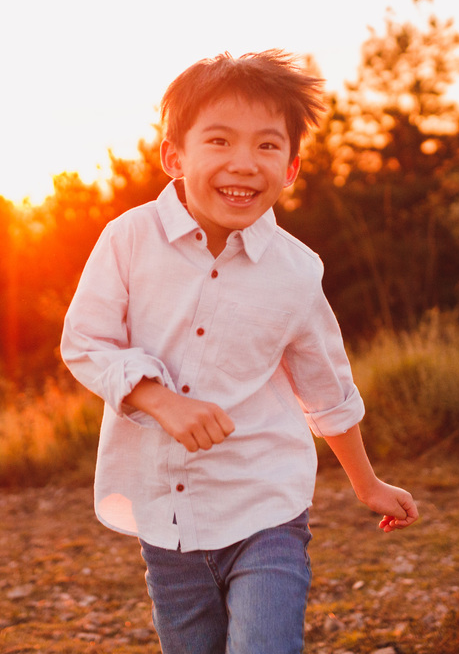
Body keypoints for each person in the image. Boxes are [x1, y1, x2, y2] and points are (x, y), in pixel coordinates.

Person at [60, 49, 417, 654]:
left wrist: (366, 483)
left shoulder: (296, 271)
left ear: (292, 167)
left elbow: (326, 387)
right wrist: (159, 400)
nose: (244, 164)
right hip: (166, 518)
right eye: (220, 141)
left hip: (266, 504)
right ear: (175, 156)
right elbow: (85, 342)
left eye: (268, 146)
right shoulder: (128, 240)